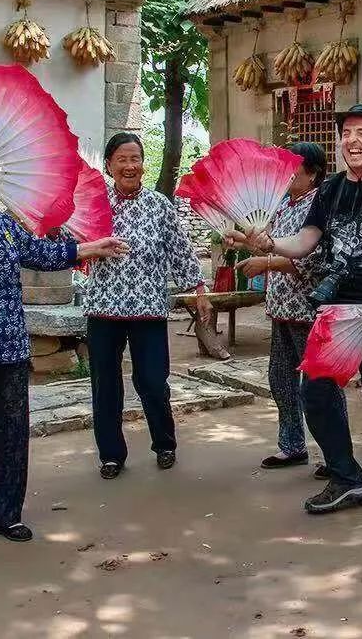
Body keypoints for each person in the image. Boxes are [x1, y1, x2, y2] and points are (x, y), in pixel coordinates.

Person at [231, 104, 362, 514]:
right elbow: (305, 241)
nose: (351, 141)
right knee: (315, 391)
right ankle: (346, 477)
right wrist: (270, 243)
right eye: (346, 133)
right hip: (337, 308)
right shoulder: (332, 189)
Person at [0, 152, 127, 542]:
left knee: (13, 434)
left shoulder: (3, 224)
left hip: (8, 349)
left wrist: (91, 247)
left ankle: (7, 514)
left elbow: (41, 254)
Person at [83, 132, 214, 479]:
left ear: (143, 164)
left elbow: (180, 250)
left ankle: (165, 443)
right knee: (105, 385)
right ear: (109, 165)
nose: (130, 166)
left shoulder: (159, 205)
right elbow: (72, 240)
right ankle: (111, 454)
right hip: (103, 309)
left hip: (148, 309)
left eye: (135, 159)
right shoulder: (94, 203)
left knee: (154, 381)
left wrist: (199, 290)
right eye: (122, 160)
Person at [235, 142, 327, 469]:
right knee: (280, 380)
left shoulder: (319, 206)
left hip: (307, 309)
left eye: (293, 170)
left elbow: (312, 260)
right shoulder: (285, 205)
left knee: (318, 386)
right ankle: (292, 446)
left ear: (313, 174)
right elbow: (270, 246)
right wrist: (241, 240)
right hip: (281, 308)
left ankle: (335, 456)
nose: (285, 176)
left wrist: (266, 263)